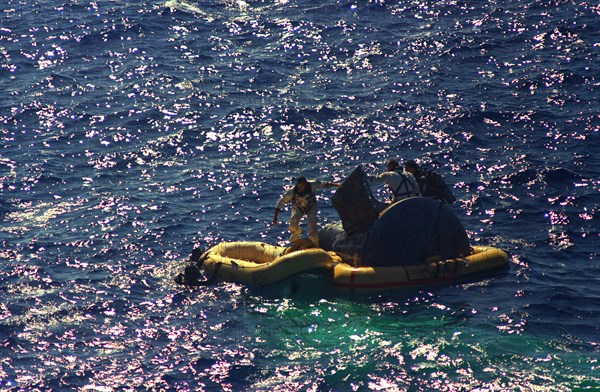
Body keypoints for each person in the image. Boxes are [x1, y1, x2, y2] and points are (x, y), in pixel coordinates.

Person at [272, 176, 340, 247]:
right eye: (299, 186)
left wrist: (336, 185)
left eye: (303, 186)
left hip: (311, 207)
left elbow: (324, 184)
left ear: (306, 183)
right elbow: (281, 202)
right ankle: (296, 235)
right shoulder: (291, 192)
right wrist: (275, 217)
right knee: (292, 225)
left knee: (312, 229)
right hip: (298, 208)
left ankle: (316, 245)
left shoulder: (312, 184)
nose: (301, 188)